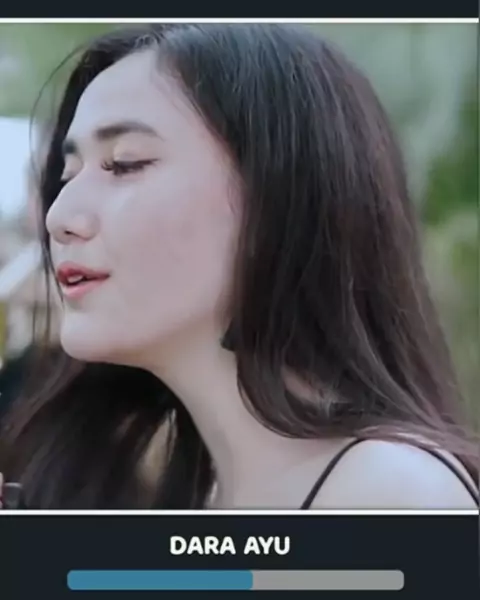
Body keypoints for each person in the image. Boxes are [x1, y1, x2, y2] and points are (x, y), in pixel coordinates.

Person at [0, 23, 478, 510]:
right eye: (67, 175)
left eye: (125, 163)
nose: (59, 217)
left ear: (279, 199)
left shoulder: (391, 495)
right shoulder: (200, 493)